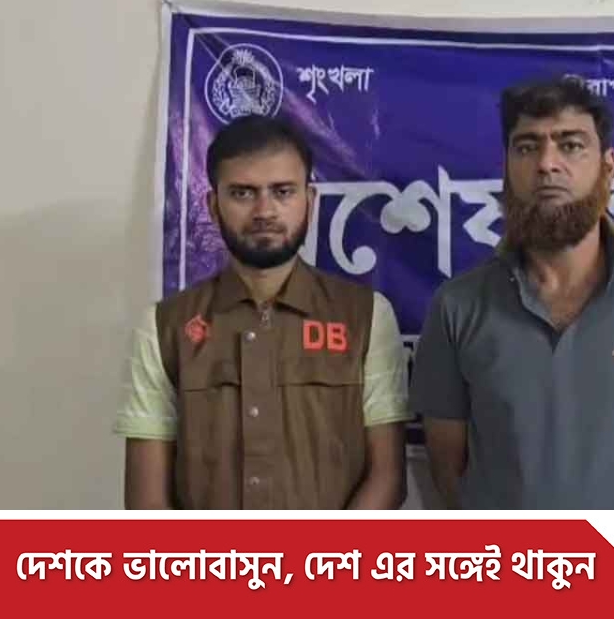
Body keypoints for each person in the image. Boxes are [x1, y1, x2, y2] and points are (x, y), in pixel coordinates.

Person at [409, 76, 614, 509]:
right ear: (506, 167)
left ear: (608, 166)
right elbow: (447, 469)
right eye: (527, 147)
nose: (547, 164)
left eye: (571, 145)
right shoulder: (456, 306)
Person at [114, 115, 411, 509]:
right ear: (213, 206)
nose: (264, 211)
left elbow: (387, 477)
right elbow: (147, 505)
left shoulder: (366, 317)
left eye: (283, 191)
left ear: (310, 201)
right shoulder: (164, 327)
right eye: (242, 193)